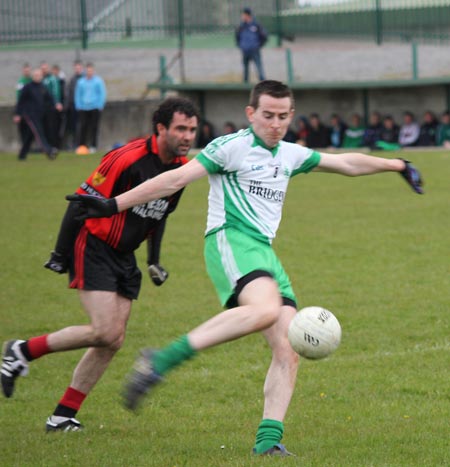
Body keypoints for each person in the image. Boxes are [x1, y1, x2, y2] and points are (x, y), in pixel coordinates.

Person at [65, 80, 423, 456]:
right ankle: (162, 359)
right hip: (230, 240)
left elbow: (346, 162)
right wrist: (114, 204)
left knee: (288, 346)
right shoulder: (231, 147)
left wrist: (398, 165)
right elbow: (175, 179)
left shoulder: (288, 154)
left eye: (283, 116)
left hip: (264, 253)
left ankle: (267, 443)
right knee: (266, 310)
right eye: (268, 115)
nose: (276, 124)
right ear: (251, 113)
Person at [1, 97, 200, 432]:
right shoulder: (127, 157)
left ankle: (63, 415)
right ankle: (21, 351)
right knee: (105, 330)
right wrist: (60, 253)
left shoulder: (181, 169)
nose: (188, 136)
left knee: (112, 340)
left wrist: (153, 260)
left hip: (125, 255)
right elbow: (80, 201)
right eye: (181, 128)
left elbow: (159, 214)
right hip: (93, 243)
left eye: (193, 129)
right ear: (161, 127)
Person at [13, 68, 58, 161]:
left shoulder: (43, 87)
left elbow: (49, 98)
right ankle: (49, 151)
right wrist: (17, 114)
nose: (38, 77)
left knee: (30, 135)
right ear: (33, 76)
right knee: (39, 132)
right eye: (36, 75)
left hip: (39, 115)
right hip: (29, 115)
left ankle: (22, 155)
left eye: (39, 75)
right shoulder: (27, 87)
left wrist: (55, 104)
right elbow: (20, 101)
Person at [75, 62, 107, 153]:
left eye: (91, 71)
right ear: (85, 71)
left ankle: (93, 146)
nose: (89, 72)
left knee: (94, 127)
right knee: (83, 127)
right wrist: (78, 105)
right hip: (83, 108)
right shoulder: (81, 82)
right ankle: (81, 146)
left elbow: (102, 93)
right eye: (88, 71)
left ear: (93, 71)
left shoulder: (98, 81)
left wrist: (100, 105)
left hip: (95, 107)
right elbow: (78, 94)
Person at [235, 7, 267, 83]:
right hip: (245, 51)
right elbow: (237, 36)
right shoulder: (241, 26)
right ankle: (245, 85)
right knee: (245, 69)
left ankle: (263, 85)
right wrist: (240, 45)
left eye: (243, 14)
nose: (242, 16)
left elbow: (264, 36)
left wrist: (259, 45)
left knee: (259, 68)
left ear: (247, 15)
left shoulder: (256, 25)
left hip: (254, 50)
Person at [40, 61, 63, 148]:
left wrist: (57, 102)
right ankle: (46, 146)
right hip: (42, 108)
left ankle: (54, 145)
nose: (44, 70)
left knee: (52, 127)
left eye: (45, 68)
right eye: (42, 69)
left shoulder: (52, 79)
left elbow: (55, 92)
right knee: (44, 127)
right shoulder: (40, 79)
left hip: (51, 107)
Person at [64, 60, 84, 150]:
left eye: (79, 68)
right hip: (72, 107)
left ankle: (81, 145)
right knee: (73, 127)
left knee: (82, 127)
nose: (77, 70)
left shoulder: (84, 79)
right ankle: (74, 145)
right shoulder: (72, 79)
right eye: (76, 68)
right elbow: (68, 93)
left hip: (83, 107)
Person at [15, 62, 32, 147]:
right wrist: (18, 113)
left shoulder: (32, 80)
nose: (27, 72)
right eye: (25, 71)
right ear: (23, 71)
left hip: (31, 110)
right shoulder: (21, 82)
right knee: (23, 130)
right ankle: (25, 147)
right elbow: (19, 97)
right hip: (23, 110)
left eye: (28, 70)